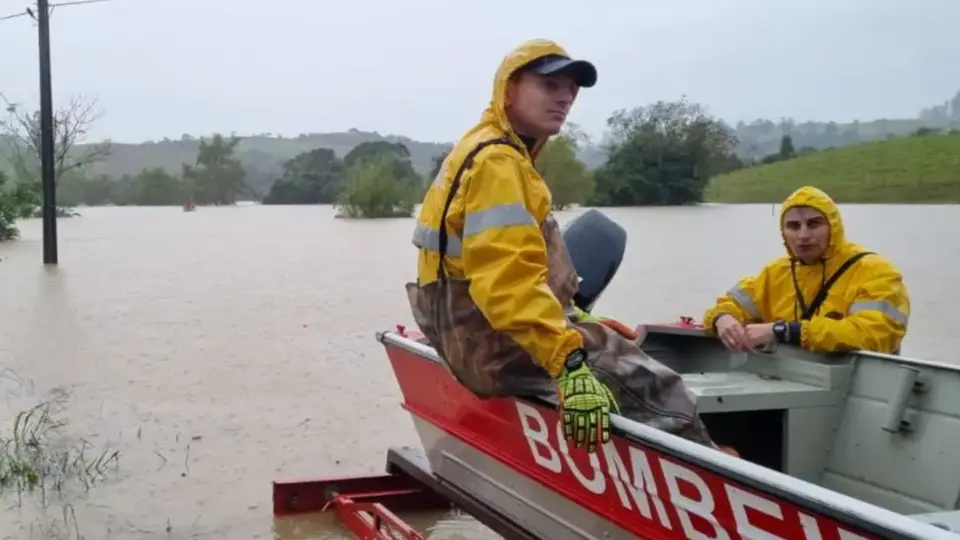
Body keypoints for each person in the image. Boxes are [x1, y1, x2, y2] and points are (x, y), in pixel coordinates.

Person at [405, 38, 718, 454]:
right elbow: (507, 284)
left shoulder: (488, 148)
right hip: (496, 343)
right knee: (662, 390)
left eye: (571, 88)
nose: (565, 96)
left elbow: (503, 264)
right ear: (509, 90)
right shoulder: (499, 164)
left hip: (471, 332)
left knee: (610, 345)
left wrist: (577, 316)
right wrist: (568, 363)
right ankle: (720, 479)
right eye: (549, 85)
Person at [703, 186, 910, 355]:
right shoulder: (775, 273)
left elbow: (873, 335)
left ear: (833, 227)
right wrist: (722, 319)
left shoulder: (875, 271)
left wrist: (785, 331)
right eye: (793, 226)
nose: (803, 235)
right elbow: (728, 305)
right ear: (783, 233)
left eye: (814, 224)